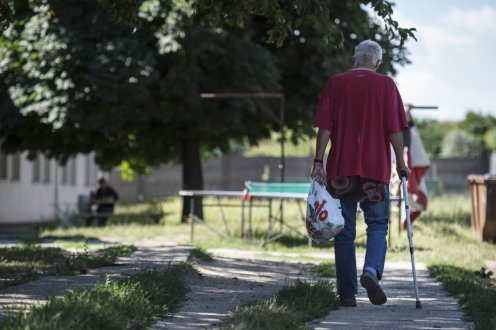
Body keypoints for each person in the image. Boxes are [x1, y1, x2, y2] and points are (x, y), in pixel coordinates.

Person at [311, 40, 410, 307]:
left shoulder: (336, 82)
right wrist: (401, 162)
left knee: (344, 230)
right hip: (374, 171)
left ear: (355, 58)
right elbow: (395, 131)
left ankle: (346, 294)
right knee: (377, 225)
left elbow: (324, 126)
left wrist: (319, 160)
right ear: (377, 62)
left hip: (340, 170)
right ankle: (370, 272)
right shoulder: (386, 84)